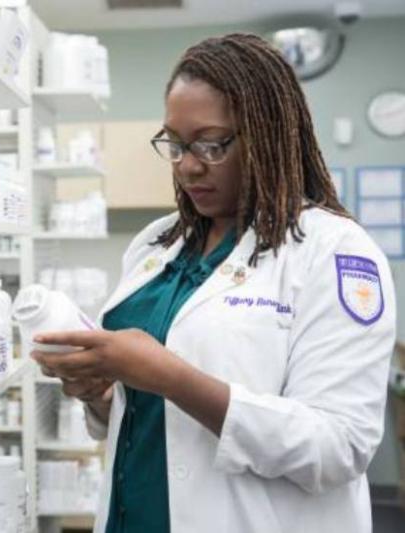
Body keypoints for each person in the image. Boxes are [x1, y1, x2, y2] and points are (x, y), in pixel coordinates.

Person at [31, 33, 396, 533]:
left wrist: (170, 376)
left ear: (268, 135)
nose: (188, 165)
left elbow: (338, 446)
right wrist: (100, 390)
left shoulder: (334, 252)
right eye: (176, 144)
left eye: (211, 143)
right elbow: (141, 413)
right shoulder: (155, 245)